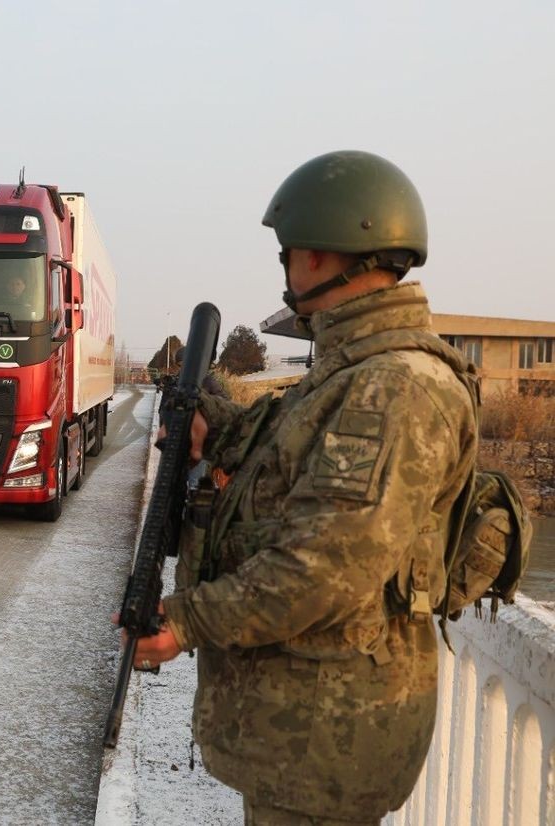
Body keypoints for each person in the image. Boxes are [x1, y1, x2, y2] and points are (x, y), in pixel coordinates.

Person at [132, 151, 478, 824]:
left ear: (319, 255)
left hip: (326, 740)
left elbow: (324, 569)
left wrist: (184, 622)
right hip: (303, 729)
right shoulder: (352, 372)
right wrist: (213, 424)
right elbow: (284, 457)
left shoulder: (393, 386)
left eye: (288, 253)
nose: (286, 269)